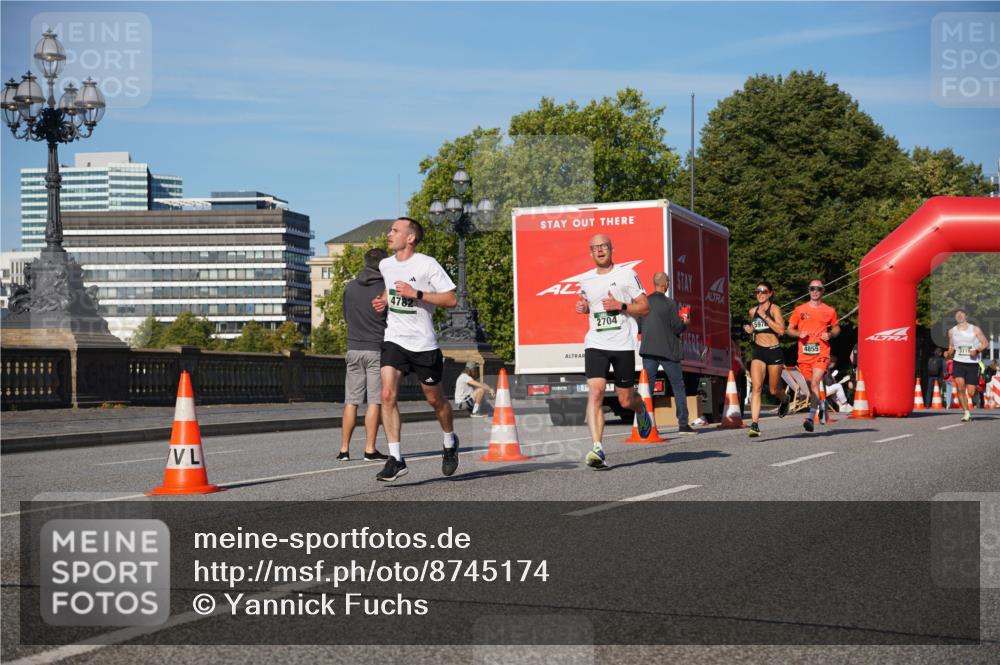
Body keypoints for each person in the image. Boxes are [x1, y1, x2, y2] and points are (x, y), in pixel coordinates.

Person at [371, 217, 459, 482]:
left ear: (410, 238)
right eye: (390, 230)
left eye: (395, 230)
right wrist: (383, 300)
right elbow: (390, 288)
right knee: (387, 394)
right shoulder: (385, 264)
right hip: (395, 339)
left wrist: (417, 294)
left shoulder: (427, 264)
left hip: (423, 344)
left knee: (435, 401)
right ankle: (396, 459)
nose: (389, 234)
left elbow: (451, 299)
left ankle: (449, 440)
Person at [575, 234, 652, 469]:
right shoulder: (585, 279)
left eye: (604, 247)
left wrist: (622, 306)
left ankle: (640, 408)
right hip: (596, 343)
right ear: (590, 252)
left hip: (623, 344)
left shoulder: (627, 275)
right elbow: (587, 301)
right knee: (596, 392)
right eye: (595, 248)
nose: (599, 251)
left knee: (625, 399)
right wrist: (584, 306)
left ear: (612, 249)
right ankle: (597, 448)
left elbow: (645, 307)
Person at [338, 248, 390, 462]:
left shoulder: (350, 287)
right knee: (374, 402)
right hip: (376, 348)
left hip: (353, 347)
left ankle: (344, 450)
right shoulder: (385, 289)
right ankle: (370, 449)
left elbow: (345, 315)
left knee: (351, 401)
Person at [638, 272, 692, 433]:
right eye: (668, 281)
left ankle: (643, 425)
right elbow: (676, 327)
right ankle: (683, 424)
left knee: (646, 389)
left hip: (648, 350)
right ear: (665, 284)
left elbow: (639, 327)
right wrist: (685, 322)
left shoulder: (644, 302)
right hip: (668, 351)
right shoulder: (670, 303)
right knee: (678, 386)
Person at [786, 279, 840, 432]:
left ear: (823, 291)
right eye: (812, 288)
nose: (815, 291)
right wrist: (798, 333)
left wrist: (830, 334)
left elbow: (836, 328)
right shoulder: (799, 309)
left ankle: (810, 418)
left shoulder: (829, 310)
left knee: (815, 382)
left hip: (821, 352)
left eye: (818, 289)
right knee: (811, 385)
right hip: (804, 355)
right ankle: (821, 404)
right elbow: (789, 329)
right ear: (809, 290)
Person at [741, 281, 789, 437]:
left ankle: (785, 399)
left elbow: (781, 331)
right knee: (756, 388)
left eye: (764, 291)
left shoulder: (775, 309)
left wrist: (765, 317)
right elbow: (756, 329)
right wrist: (750, 330)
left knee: (774, 389)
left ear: (770, 293)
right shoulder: (752, 311)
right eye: (757, 291)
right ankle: (754, 425)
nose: (760, 294)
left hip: (774, 352)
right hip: (759, 352)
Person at [945, 306, 988, 422]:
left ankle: (976, 397)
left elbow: (985, 343)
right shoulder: (951, 331)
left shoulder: (975, 329)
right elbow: (951, 347)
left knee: (971, 391)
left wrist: (977, 351)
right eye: (957, 313)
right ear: (955, 317)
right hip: (958, 362)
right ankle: (966, 412)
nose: (959, 315)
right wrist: (948, 353)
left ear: (966, 316)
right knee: (960, 387)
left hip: (972, 363)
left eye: (962, 313)